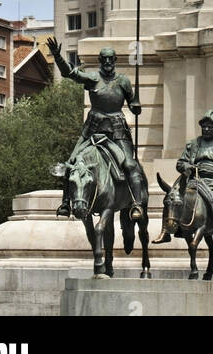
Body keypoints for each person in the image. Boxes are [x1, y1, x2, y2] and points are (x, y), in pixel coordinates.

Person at [48, 40, 145, 221]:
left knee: (131, 165)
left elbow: (132, 103)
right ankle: (66, 203)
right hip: (92, 130)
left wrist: (135, 106)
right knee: (71, 162)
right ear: (100, 61)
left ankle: (137, 204)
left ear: (115, 60)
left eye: (110, 59)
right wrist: (57, 56)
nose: (107, 63)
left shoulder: (123, 80)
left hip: (117, 132)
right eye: (104, 60)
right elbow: (69, 73)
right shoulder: (93, 78)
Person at [156, 111, 213, 249]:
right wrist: (188, 167)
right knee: (172, 196)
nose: (206, 129)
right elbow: (180, 163)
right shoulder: (193, 144)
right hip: (195, 178)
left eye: (210, 126)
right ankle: (166, 231)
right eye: (204, 126)